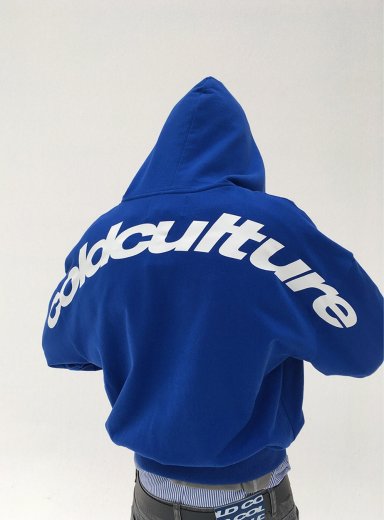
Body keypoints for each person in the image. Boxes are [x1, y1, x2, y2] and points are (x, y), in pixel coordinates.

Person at [41, 77, 383, 520]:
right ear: (243, 151)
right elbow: (365, 345)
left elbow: (60, 346)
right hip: (248, 499)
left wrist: (136, 341)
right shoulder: (275, 229)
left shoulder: (106, 236)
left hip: (150, 499)